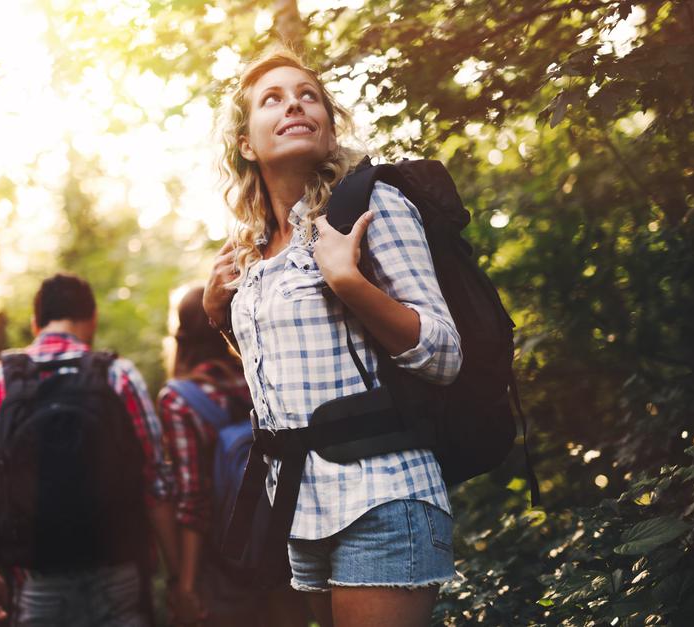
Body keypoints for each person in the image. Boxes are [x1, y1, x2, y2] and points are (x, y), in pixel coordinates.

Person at [203, 49, 463, 627]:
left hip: (384, 494)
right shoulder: (249, 249)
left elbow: (444, 353)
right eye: (271, 99)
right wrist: (217, 315)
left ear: (326, 125)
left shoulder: (373, 208)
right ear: (246, 143)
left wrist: (347, 280)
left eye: (307, 95)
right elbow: (287, 369)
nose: (293, 102)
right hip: (298, 506)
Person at [0, 273, 179, 626]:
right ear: (93, 318)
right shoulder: (119, 377)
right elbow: (157, 483)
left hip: (34, 582)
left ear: (35, 322)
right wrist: (177, 578)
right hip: (117, 574)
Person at [156, 285, 308, 627]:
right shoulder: (259, 377)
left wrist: (186, 583)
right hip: (285, 543)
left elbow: (193, 499)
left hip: (223, 562)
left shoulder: (181, 398)